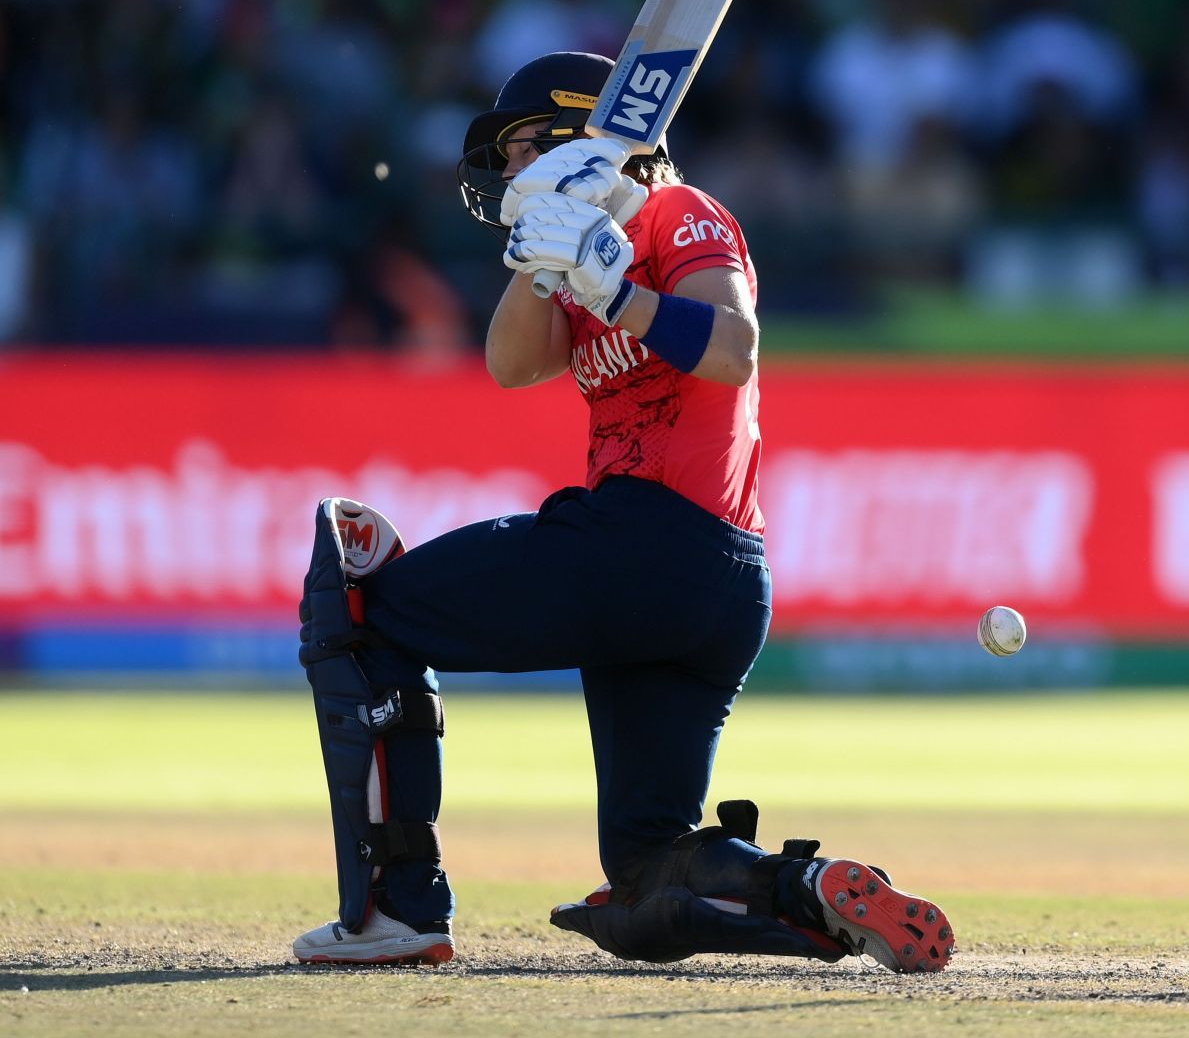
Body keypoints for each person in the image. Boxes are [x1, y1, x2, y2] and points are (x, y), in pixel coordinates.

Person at [290, 51, 954, 973]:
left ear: (576, 135)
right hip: (711, 589)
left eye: (524, 146)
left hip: (653, 542)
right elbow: (513, 364)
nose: (511, 170)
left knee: (365, 610)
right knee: (645, 871)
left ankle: (394, 911)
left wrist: (615, 290)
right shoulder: (577, 241)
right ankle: (807, 890)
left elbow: (731, 348)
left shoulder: (683, 212)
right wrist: (546, 258)